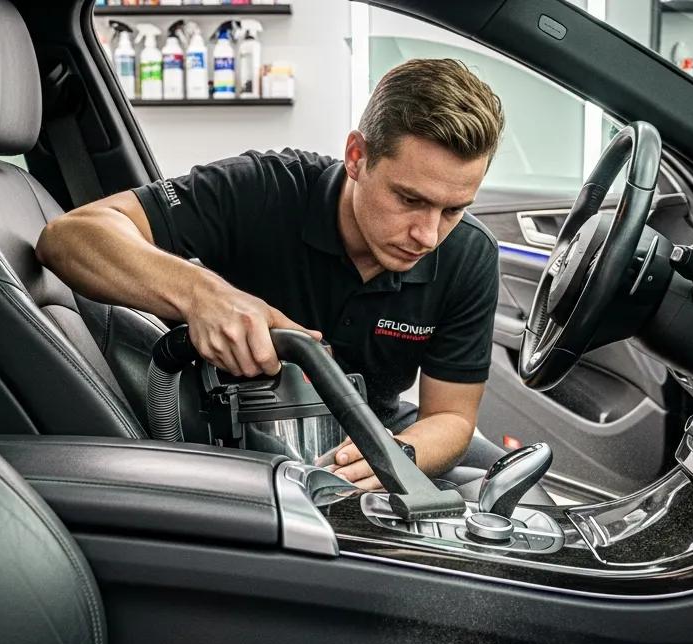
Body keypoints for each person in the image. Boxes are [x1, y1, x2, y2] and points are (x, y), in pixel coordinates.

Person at [36, 58, 506, 490]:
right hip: (243, 447)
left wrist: (394, 456)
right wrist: (203, 296)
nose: (427, 235)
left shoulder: (469, 254)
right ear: (357, 157)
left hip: (376, 434)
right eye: (410, 199)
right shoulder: (264, 189)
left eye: (453, 209)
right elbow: (70, 237)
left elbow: (451, 416)